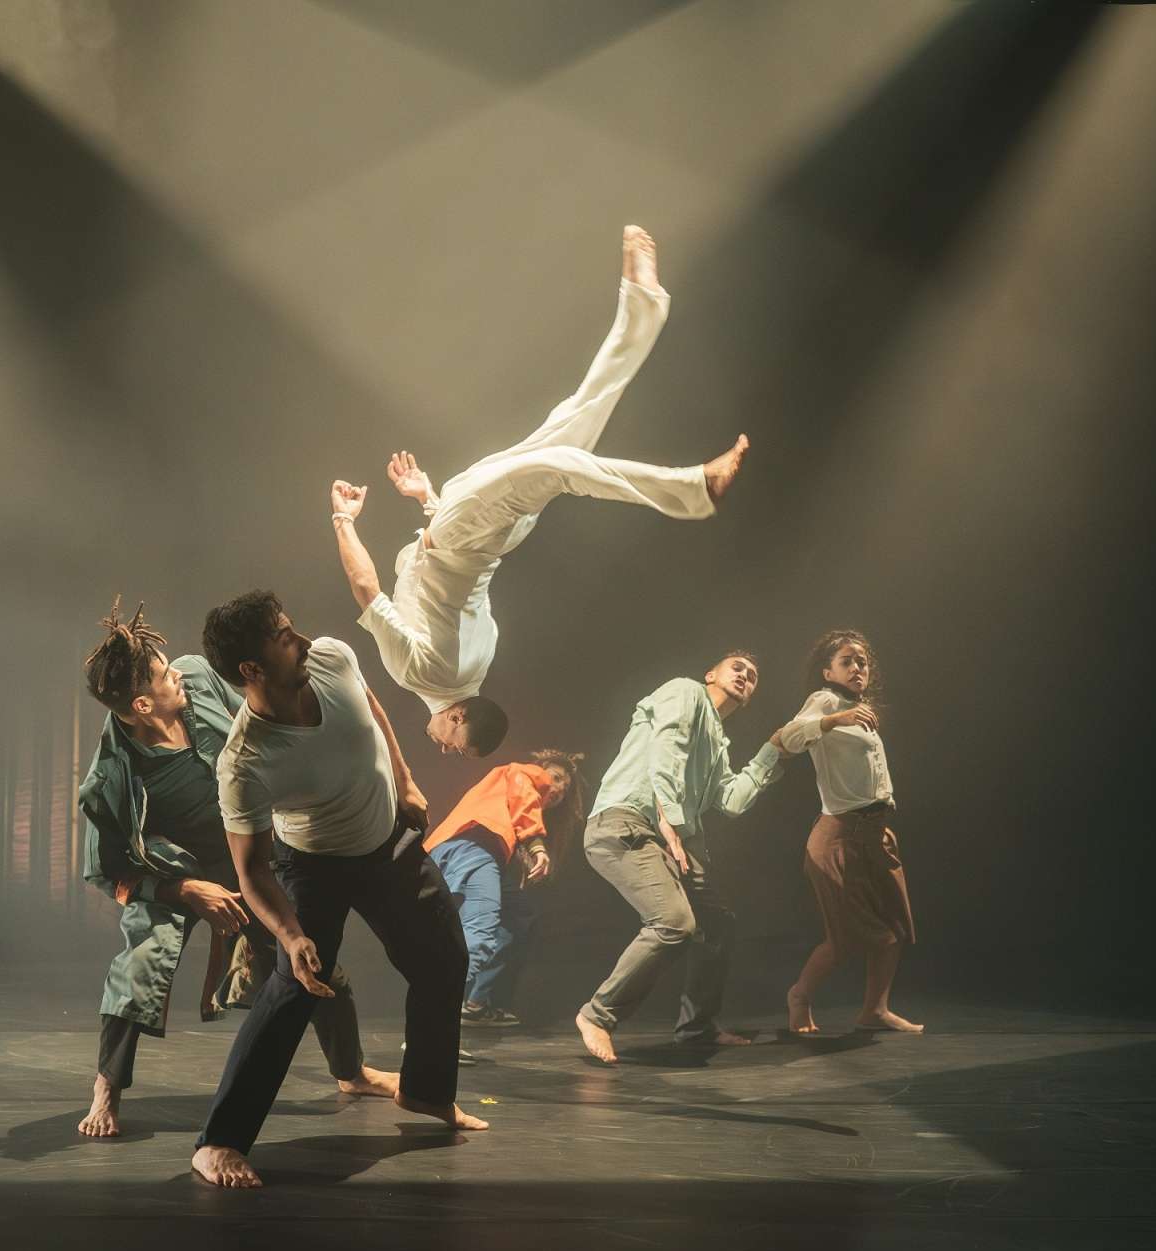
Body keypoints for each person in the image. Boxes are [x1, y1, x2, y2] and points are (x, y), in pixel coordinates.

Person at [329, 226, 751, 758]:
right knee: (563, 460)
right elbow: (370, 590)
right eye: (454, 745)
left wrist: (425, 496)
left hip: (484, 530)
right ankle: (695, 488)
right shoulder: (424, 675)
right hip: (467, 530)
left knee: (579, 416)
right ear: (459, 716)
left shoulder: (478, 664)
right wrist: (344, 520)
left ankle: (645, 307)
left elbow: (443, 587)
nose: (442, 747)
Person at [190, 591, 487, 1189]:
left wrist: (404, 779)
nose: (301, 640)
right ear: (251, 669)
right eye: (283, 638)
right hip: (313, 866)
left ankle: (426, 1094)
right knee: (294, 988)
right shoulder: (245, 761)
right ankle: (219, 1142)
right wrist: (291, 935)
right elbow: (251, 871)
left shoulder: (330, 657)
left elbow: (371, 709)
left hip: (388, 846)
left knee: (444, 961)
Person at [75, 598, 396, 1140]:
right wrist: (181, 889)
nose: (175, 670)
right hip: (173, 873)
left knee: (312, 960)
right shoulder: (111, 776)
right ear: (141, 704)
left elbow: (261, 716)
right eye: (161, 675)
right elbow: (107, 873)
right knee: (141, 963)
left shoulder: (198, 678)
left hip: (245, 858)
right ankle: (106, 1089)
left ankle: (352, 1071)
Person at [575, 652, 785, 1064]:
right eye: (737, 667)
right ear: (711, 674)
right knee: (673, 922)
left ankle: (696, 1027)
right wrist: (669, 818)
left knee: (718, 923)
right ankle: (596, 1014)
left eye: (753, 675)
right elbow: (665, 749)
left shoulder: (718, 745)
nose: (745, 675)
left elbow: (732, 801)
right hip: (626, 822)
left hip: (669, 838)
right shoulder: (686, 691)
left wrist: (773, 751)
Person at [775, 630, 921, 1035]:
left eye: (863, 662)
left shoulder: (863, 709)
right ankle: (800, 995)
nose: (858, 667)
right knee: (846, 936)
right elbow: (787, 739)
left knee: (893, 929)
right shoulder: (826, 702)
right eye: (847, 661)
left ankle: (875, 1010)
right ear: (828, 671)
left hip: (876, 833)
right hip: (839, 835)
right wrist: (835, 718)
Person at [425, 748, 586, 1028]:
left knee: (518, 918)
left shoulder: (507, 810)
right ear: (541, 769)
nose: (558, 788)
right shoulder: (523, 773)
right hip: (473, 849)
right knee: (480, 937)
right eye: (557, 777)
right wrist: (537, 847)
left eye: (565, 786)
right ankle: (429, 1029)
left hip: (470, 853)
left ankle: (475, 1003)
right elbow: (525, 802)